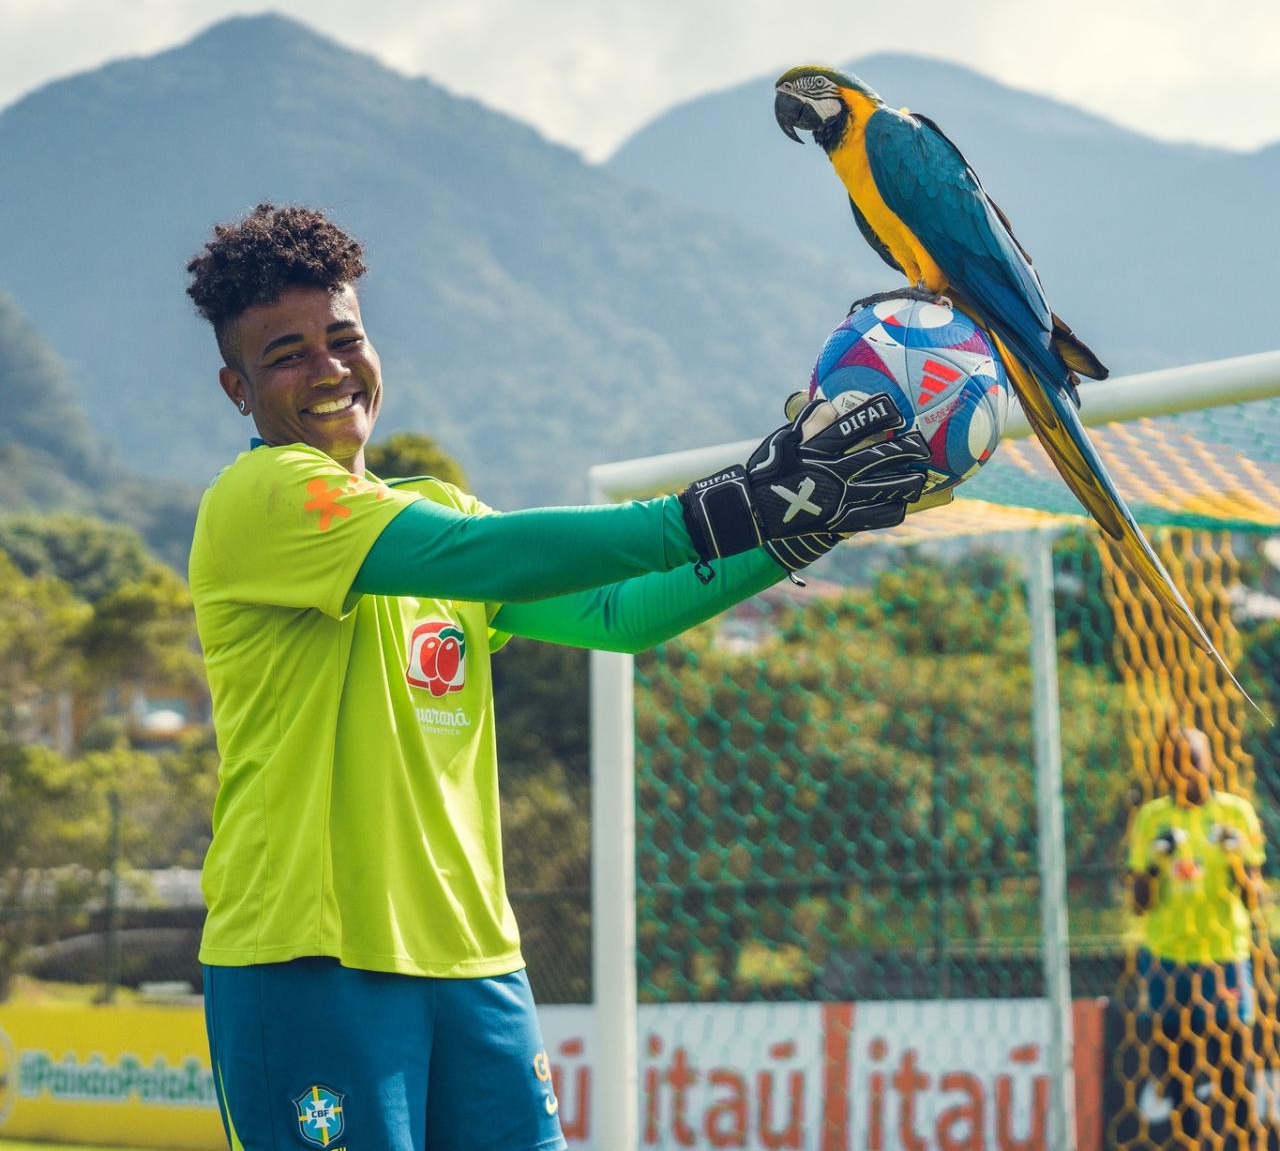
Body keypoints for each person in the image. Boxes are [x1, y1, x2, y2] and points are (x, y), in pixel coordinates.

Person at [185, 203, 932, 1151]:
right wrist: (737, 504)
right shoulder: (262, 498)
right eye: (287, 353)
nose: (330, 368)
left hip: (474, 961)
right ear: (235, 388)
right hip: (306, 958)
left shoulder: (433, 511)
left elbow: (622, 617)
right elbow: (481, 552)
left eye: (345, 337)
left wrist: (809, 520)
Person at [1127, 724, 1265, 1142]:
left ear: (1210, 763)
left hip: (1222, 958)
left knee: (1232, 1072)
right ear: (1166, 767)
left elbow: (1254, 898)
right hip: (1168, 960)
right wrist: (1154, 862)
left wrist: (1237, 858)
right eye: (1177, 761)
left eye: (1194, 760)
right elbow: (1138, 903)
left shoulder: (1235, 813)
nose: (1186, 770)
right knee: (1176, 1076)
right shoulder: (1152, 818)